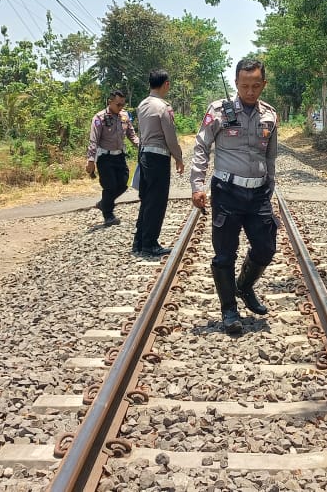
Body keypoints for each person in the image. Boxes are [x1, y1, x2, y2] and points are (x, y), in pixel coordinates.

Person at [191, 58, 278, 335]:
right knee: (225, 253)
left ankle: (244, 286)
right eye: (244, 86)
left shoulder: (270, 115)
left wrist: (270, 185)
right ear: (236, 83)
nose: (250, 91)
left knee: (266, 248)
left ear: (263, 84)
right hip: (227, 191)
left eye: (255, 85)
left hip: (258, 192)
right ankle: (229, 309)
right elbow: (202, 146)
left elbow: (271, 155)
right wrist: (197, 185)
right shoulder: (220, 110)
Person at [132, 70, 185, 258]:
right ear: (166, 84)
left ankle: (139, 242)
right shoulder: (163, 107)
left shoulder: (142, 105)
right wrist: (178, 157)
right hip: (158, 158)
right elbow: (170, 137)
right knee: (157, 202)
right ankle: (150, 244)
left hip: (144, 155)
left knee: (147, 200)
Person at [85, 90, 139, 226]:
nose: (120, 107)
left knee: (123, 184)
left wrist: (141, 146)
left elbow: (131, 135)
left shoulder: (125, 116)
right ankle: (108, 215)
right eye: (118, 105)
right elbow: (93, 140)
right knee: (110, 186)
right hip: (105, 158)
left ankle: (104, 203)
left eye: (122, 104)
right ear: (110, 102)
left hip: (119, 156)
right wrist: (91, 159)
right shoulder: (99, 118)